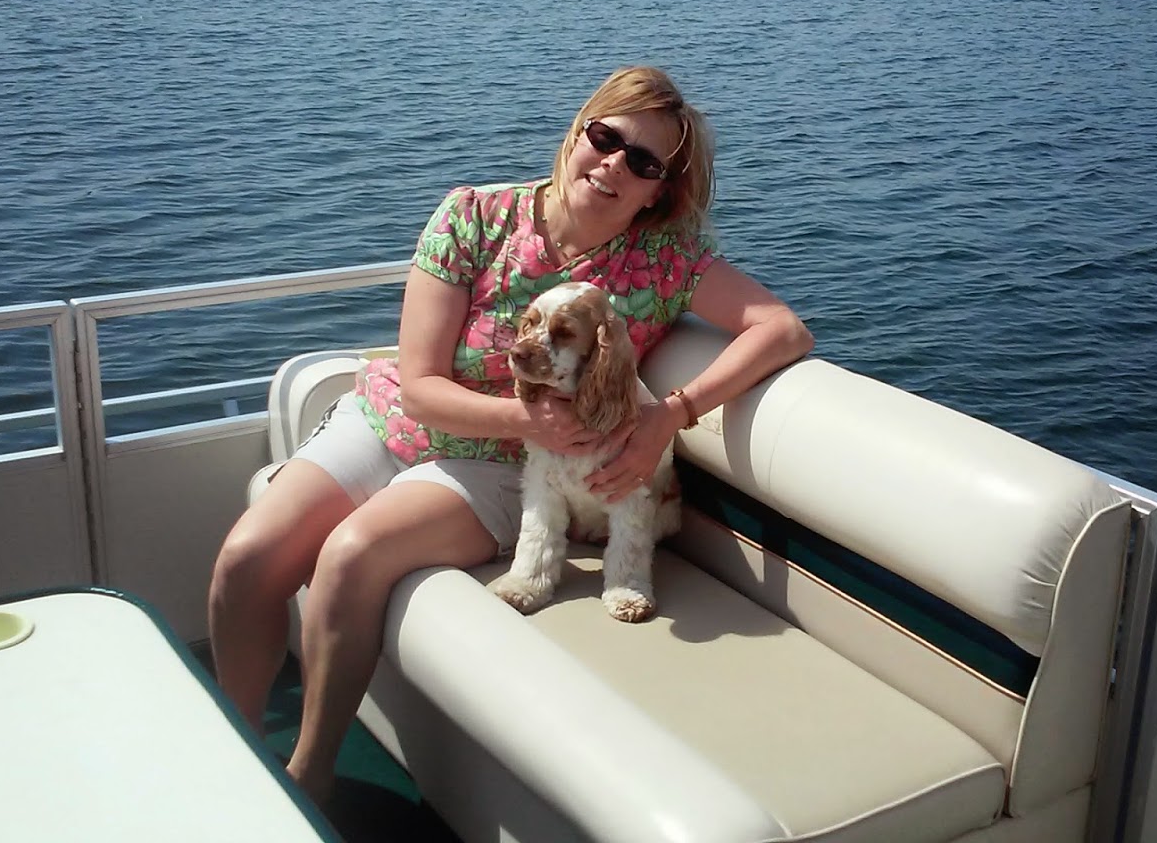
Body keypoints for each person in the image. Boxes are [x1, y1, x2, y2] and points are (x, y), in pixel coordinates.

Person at [206, 65, 815, 803]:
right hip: (397, 419)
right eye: (605, 138)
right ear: (577, 132)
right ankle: (233, 757)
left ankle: (308, 780)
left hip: (504, 468)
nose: (613, 165)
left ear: (659, 190)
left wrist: (671, 414)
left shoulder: (667, 264)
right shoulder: (474, 216)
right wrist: (526, 414)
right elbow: (421, 385)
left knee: (352, 553)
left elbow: (781, 329)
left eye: (643, 162)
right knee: (249, 555)